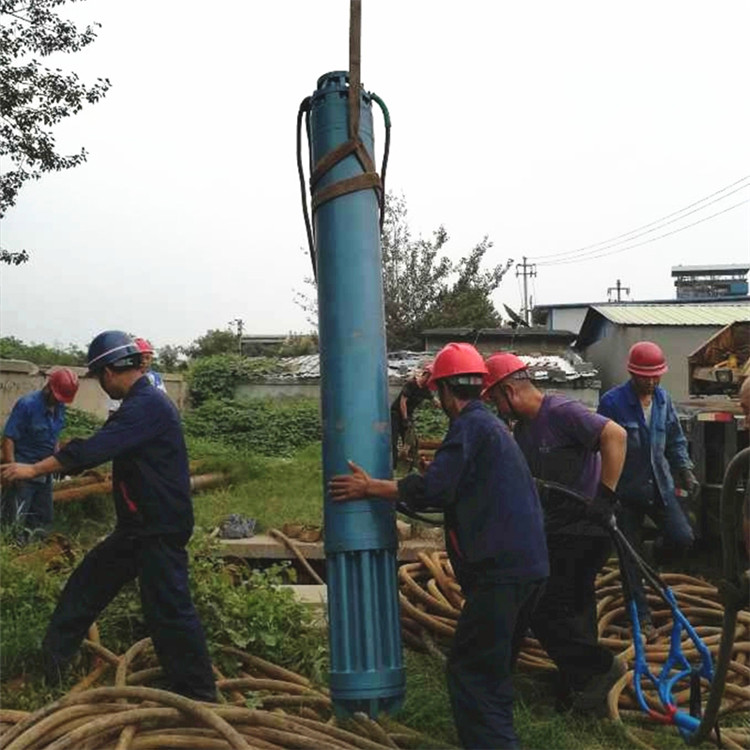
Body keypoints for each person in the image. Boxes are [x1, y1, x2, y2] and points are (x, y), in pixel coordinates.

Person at [330, 342, 548, 750]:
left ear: (446, 391)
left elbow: (433, 490)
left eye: (437, 392)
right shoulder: (489, 427)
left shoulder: (470, 428)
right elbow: (456, 485)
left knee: (471, 672)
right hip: (528, 569)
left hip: (501, 575)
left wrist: (368, 487)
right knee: (494, 668)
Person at [0, 331, 215, 701]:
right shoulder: (140, 403)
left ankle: (199, 698)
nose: (102, 386)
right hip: (137, 529)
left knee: (169, 611)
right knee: (84, 588)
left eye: (100, 377)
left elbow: (96, 449)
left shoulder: (147, 404)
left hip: (158, 529)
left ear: (111, 371)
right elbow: (101, 443)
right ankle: (49, 672)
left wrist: (32, 470)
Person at [483, 352, 627, 714]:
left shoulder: (561, 412)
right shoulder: (525, 430)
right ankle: (582, 690)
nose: (498, 409)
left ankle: (601, 670)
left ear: (509, 390)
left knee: (545, 607)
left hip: (584, 530)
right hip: (556, 531)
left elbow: (616, 435)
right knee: (574, 610)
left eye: (495, 400)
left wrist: (605, 498)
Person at [597, 341, 697, 639]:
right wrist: (605, 491)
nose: (652, 382)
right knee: (630, 560)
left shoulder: (664, 401)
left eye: (656, 376)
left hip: (660, 486)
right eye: (646, 377)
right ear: (633, 373)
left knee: (683, 537)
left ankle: (653, 554)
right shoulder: (613, 403)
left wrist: (686, 470)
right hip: (625, 493)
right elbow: (602, 446)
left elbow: (675, 440)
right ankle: (641, 619)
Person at [1, 367, 79, 538]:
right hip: (23, 471)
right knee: (13, 520)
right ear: (49, 387)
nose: (60, 402)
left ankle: (34, 552)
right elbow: (9, 439)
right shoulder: (27, 405)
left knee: (42, 519)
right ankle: (11, 556)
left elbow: (54, 437)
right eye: (58, 397)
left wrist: (57, 460)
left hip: (45, 471)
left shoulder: (59, 407)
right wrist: (11, 470)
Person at [390, 363, 434, 469]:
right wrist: (405, 418)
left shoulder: (425, 390)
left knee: (412, 441)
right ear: (426, 375)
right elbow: (403, 402)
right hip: (396, 414)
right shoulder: (411, 384)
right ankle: (393, 466)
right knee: (393, 441)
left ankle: (411, 467)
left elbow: (435, 401)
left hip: (408, 416)